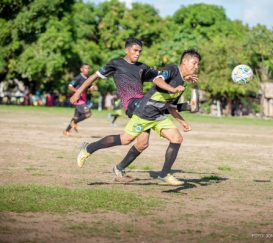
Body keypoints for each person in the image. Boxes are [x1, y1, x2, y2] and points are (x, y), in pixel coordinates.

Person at [70, 37, 192, 181]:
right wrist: (78, 92)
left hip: (143, 105)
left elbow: (163, 76)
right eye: (135, 50)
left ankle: (119, 167)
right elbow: (93, 77)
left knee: (142, 143)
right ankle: (88, 149)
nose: (137, 53)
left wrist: (184, 76)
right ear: (126, 50)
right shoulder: (116, 63)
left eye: (140, 51)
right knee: (131, 135)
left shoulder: (143, 67)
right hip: (132, 104)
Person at [63, 63, 97, 136]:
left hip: (83, 100)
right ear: (81, 69)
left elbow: (90, 87)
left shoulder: (87, 78)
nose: (87, 70)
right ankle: (75, 122)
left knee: (76, 117)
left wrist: (93, 88)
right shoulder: (78, 77)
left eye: (88, 68)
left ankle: (66, 131)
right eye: (85, 68)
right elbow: (70, 86)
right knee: (88, 114)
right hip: (78, 100)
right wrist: (77, 91)